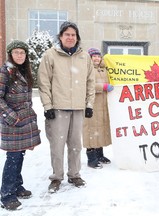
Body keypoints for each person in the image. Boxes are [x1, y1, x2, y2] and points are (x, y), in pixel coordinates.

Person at [37, 21, 95, 193]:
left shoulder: (84, 57)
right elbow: (44, 82)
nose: (70, 37)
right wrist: (48, 106)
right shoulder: (51, 55)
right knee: (57, 145)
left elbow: (90, 82)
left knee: (76, 144)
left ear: (77, 38)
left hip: (78, 108)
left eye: (73, 35)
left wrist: (89, 104)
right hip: (58, 108)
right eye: (67, 34)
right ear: (60, 37)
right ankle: (57, 177)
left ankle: (74, 174)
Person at [0, 40, 41, 210]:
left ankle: (17, 185)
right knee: (13, 157)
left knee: (20, 155)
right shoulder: (5, 72)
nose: (20, 55)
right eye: (16, 52)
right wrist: (12, 117)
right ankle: (7, 194)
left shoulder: (23, 71)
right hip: (13, 123)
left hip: (24, 122)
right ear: (11, 54)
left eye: (22, 53)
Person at [83, 48, 113, 169]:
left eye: (98, 56)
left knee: (100, 129)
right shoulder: (86, 69)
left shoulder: (104, 69)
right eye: (94, 56)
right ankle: (91, 158)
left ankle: (100, 155)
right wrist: (103, 86)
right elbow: (86, 85)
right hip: (92, 104)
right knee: (91, 130)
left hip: (103, 105)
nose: (96, 58)